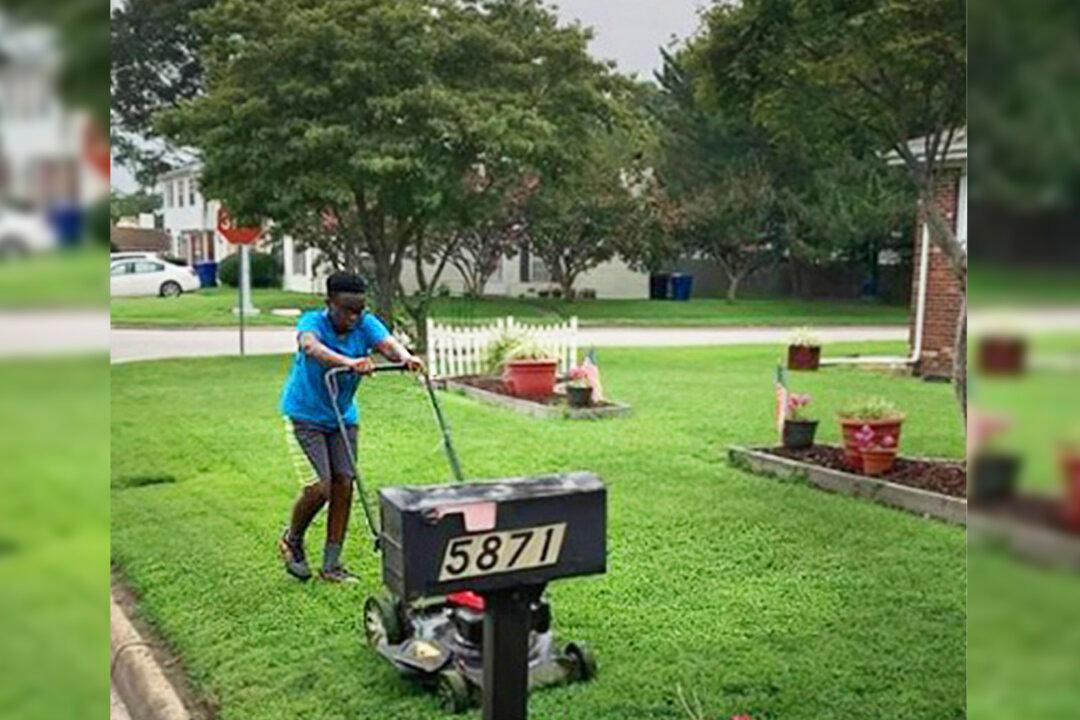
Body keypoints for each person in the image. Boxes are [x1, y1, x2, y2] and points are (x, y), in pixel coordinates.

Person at [277, 272, 423, 583]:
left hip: (343, 416)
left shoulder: (365, 323)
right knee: (320, 488)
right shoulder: (312, 322)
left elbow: (387, 344)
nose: (354, 317)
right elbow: (310, 348)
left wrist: (406, 357)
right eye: (347, 310)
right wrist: (348, 362)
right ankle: (292, 539)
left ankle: (332, 566)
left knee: (344, 484)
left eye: (359, 309)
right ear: (329, 303)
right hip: (305, 415)